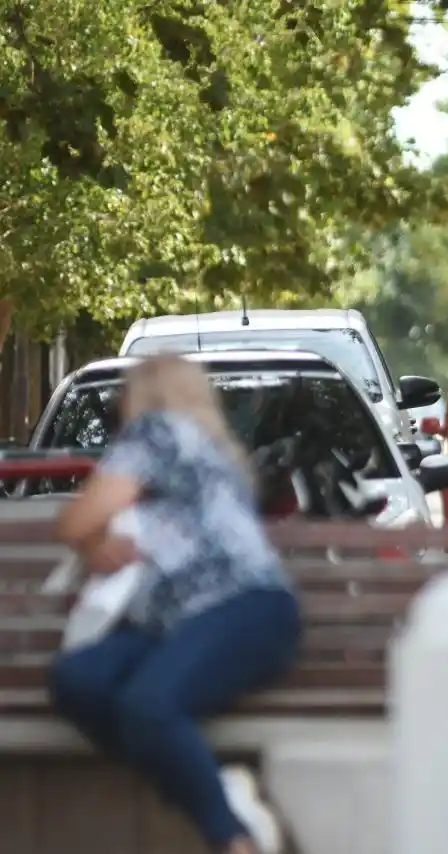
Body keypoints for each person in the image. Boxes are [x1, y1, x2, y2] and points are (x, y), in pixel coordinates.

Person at [49, 354, 299, 854]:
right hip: (175, 624)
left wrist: (89, 539)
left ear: (143, 394)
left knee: (148, 706)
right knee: (78, 678)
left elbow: (76, 521)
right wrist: (100, 547)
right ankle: (221, 791)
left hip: (242, 607)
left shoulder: (157, 433)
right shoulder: (213, 452)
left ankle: (234, 840)